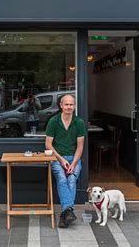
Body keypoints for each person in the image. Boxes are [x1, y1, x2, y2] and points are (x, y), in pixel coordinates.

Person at [45, 94, 85, 228]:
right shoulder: (53, 121)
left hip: (74, 158)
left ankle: (65, 213)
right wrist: (61, 159)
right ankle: (68, 211)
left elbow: (80, 146)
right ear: (61, 106)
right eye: (66, 104)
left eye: (71, 104)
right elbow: (48, 144)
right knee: (62, 178)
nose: (69, 107)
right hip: (57, 158)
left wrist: (73, 163)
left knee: (72, 179)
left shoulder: (79, 122)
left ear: (74, 106)